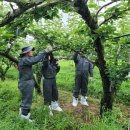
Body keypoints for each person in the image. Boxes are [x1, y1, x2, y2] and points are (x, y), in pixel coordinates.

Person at [18, 46, 51, 122]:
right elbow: (35, 60)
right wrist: (44, 52)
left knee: (25, 99)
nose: (32, 52)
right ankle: (24, 118)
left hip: (25, 82)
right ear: (27, 53)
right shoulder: (25, 60)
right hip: (26, 83)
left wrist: (43, 56)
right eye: (30, 51)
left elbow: (36, 59)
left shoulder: (25, 60)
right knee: (27, 100)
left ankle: (22, 114)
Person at [42, 46, 62, 116]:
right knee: (47, 94)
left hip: (53, 79)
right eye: (48, 56)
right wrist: (47, 53)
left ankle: (55, 106)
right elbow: (45, 61)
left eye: (50, 56)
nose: (49, 57)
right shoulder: (45, 64)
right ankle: (48, 108)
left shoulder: (53, 63)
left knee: (55, 92)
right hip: (47, 80)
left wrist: (58, 66)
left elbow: (56, 71)